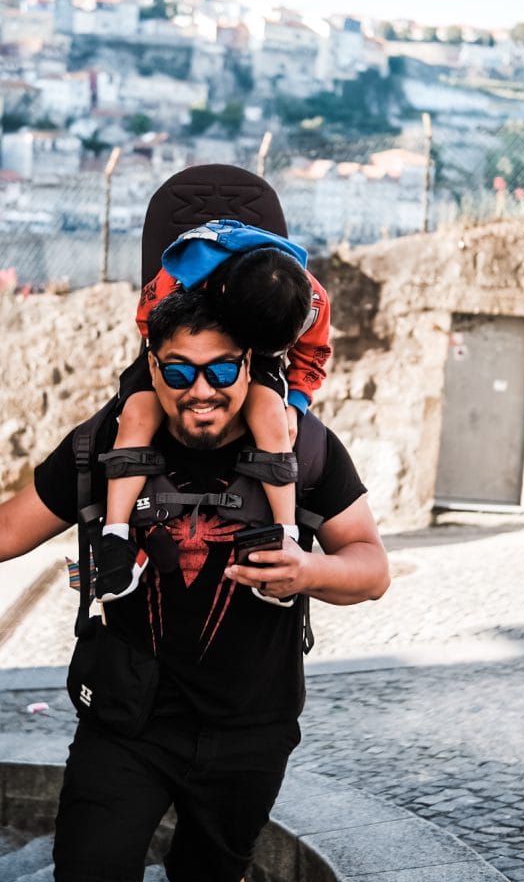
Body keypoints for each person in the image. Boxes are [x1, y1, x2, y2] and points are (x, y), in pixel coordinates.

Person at [0, 287, 390, 882]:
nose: (201, 391)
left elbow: (371, 568)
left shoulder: (302, 446)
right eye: (179, 371)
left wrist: (308, 572)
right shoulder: (105, 441)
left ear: (250, 365)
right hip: (127, 723)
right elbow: (7, 531)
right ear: (152, 365)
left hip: (250, 728)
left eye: (222, 370)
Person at [97, 219, 331, 603]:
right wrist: (183, 364)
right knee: (137, 415)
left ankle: (285, 537)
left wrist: (297, 404)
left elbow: (311, 357)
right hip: (183, 337)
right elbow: (148, 324)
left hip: (248, 353)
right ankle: (115, 539)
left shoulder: (311, 302)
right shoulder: (180, 276)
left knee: (274, 420)